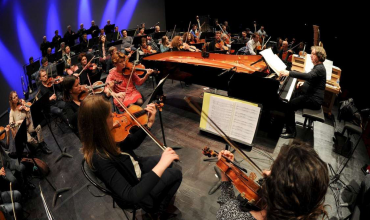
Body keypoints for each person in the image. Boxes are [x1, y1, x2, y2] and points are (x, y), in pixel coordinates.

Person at [79, 95, 182, 218]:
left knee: (170, 163)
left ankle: (158, 199)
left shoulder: (105, 137)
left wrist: (149, 123)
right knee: (176, 174)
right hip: (134, 187)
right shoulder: (99, 158)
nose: (114, 117)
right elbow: (131, 195)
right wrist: (161, 164)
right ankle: (155, 211)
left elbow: (131, 143)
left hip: (133, 167)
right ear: (100, 124)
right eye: (110, 115)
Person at [217, 141, 329, 220]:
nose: (265, 172)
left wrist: (225, 174)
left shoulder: (231, 215)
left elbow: (226, 205)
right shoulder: (304, 212)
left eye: (272, 170)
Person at [279, 46, 327, 138]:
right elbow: (313, 79)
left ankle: (291, 132)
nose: (310, 56)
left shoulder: (320, 68)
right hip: (312, 96)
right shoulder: (318, 67)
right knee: (292, 97)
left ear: (319, 56)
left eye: (313, 54)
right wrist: (304, 83)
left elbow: (309, 76)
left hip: (314, 100)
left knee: (290, 105)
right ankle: (287, 121)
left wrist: (289, 73)